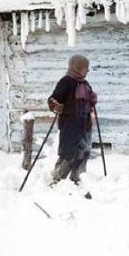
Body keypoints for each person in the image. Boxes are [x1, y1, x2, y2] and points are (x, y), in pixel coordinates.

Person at [47, 54, 98, 185]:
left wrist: (92, 100)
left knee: (84, 151)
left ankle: (78, 178)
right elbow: (53, 99)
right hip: (70, 124)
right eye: (86, 67)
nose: (88, 70)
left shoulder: (85, 84)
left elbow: (89, 100)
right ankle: (57, 178)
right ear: (78, 67)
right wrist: (55, 105)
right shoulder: (66, 82)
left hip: (84, 124)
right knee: (69, 152)